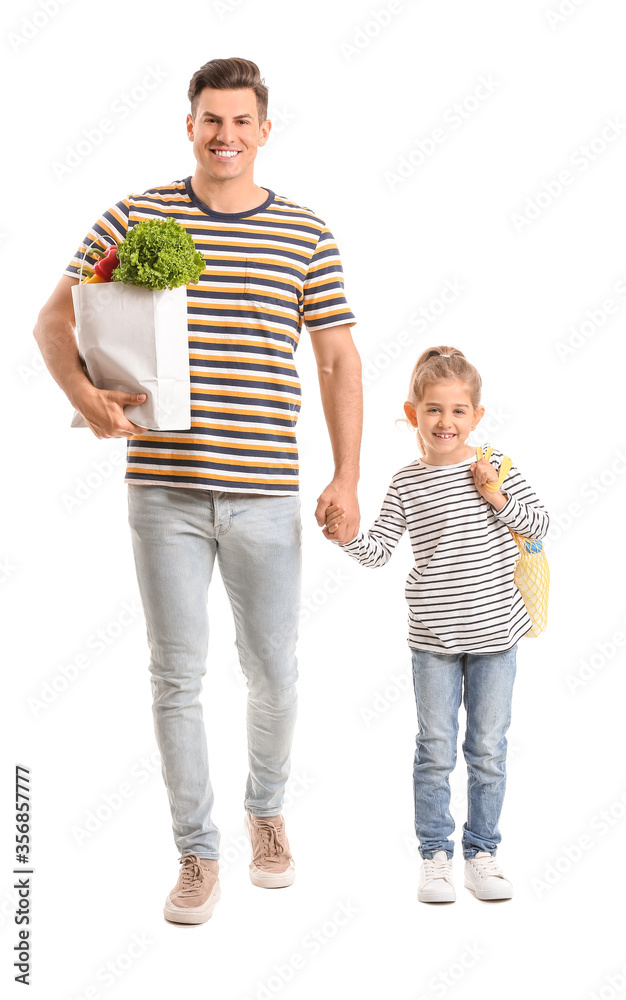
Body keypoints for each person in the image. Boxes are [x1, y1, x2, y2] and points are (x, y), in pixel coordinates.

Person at [33, 56, 362, 924]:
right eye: (210, 119)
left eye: (241, 121)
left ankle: (267, 815)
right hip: (164, 494)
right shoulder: (137, 215)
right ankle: (196, 852)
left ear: (263, 129)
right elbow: (51, 319)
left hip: (264, 494)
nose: (225, 136)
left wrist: (348, 475)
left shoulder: (304, 233)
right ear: (190, 126)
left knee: (274, 674)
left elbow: (336, 360)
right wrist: (86, 398)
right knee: (176, 677)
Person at [323, 346, 549, 903]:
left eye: (457, 411)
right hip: (434, 642)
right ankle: (435, 855)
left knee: (488, 749)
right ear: (410, 413)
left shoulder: (495, 466)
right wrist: (346, 536)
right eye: (432, 410)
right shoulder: (406, 481)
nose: (444, 422)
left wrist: (495, 496)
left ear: (476, 415)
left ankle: (483, 851)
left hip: (497, 637)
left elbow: (540, 525)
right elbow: (378, 552)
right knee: (435, 750)